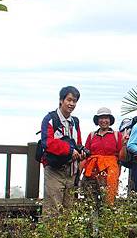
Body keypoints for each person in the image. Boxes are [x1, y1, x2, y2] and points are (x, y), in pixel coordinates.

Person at [40, 86, 85, 217]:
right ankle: (51, 237)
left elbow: (78, 143)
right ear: (61, 100)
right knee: (52, 210)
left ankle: (65, 237)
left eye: (74, 101)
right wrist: (69, 150)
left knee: (68, 210)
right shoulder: (50, 119)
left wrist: (80, 151)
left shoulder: (75, 122)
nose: (71, 104)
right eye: (69, 100)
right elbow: (47, 142)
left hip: (71, 171)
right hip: (55, 170)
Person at [81, 107, 123, 205]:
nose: (104, 121)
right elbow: (86, 156)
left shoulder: (117, 135)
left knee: (107, 203)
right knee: (90, 202)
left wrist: (125, 145)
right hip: (92, 174)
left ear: (110, 120)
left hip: (109, 175)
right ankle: (93, 220)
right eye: (101, 118)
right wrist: (80, 172)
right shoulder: (92, 135)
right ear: (97, 120)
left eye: (106, 118)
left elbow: (122, 157)